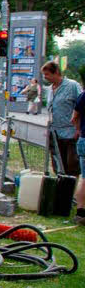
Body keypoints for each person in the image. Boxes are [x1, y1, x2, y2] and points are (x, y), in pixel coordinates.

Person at [42, 61, 82, 176]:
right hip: (55, 133)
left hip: (71, 132)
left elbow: (81, 106)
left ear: (56, 73)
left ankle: (72, 187)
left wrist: (78, 128)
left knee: (72, 163)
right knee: (59, 164)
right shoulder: (50, 89)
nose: (45, 77)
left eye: (47, 74)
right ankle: (62, 185)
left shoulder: (72, 86)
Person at [73, 89, 85, 225]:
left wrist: (78, 130)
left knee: (83, 178)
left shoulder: (83, 95)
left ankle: (80, 212)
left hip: (83, 139)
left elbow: (74, 117)